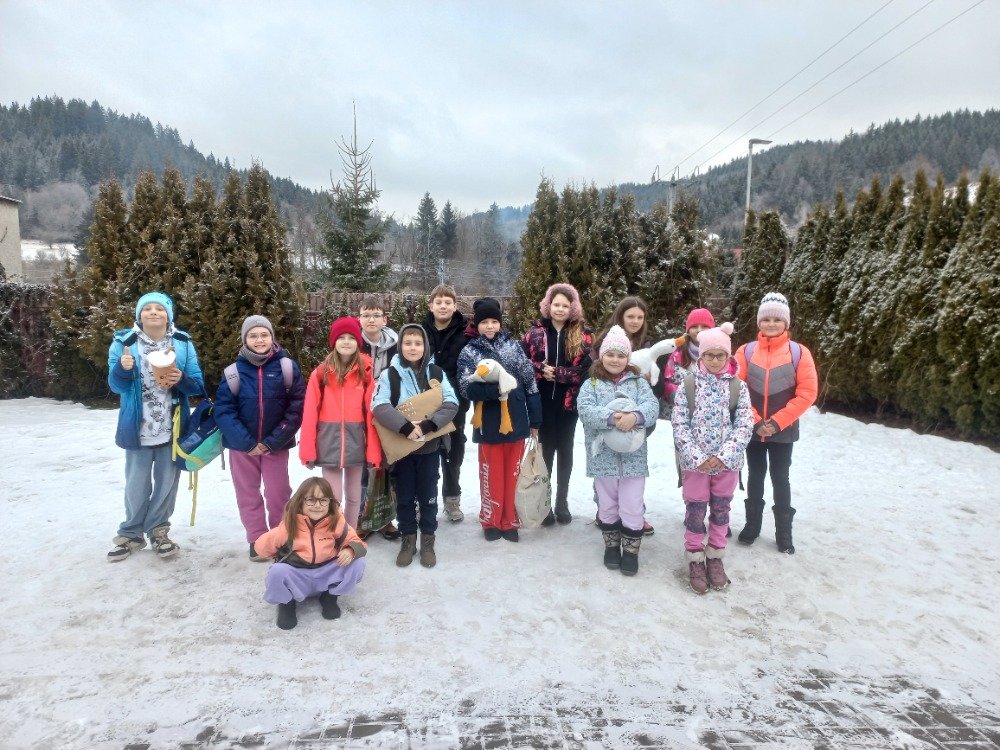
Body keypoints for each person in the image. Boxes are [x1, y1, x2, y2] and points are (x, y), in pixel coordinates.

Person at [106, 291, 205, 562]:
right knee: (136, 484)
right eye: (147, 308)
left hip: (171, 428)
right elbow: (115, 386)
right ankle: (131, 534)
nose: (153, 312)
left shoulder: (182, 343)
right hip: (137, 428)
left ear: (168, 315)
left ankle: (159, 531)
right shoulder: (124, 343)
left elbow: (197, 385)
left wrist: (181, 379)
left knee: (166, 484)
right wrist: (123, 369)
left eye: (159, 308)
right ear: (139, 315)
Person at [214, 315, 306, 561]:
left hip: (275, 446)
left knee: (278, 492)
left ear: (272, 337)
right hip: (242, 448)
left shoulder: (287, 367)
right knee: (248, 493)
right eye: (253, 335)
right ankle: (257, 539)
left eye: (264, 334)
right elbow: (223, 410)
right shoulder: (233, 372)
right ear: (244, 340)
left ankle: (280, 536)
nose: (259, 340)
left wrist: (272, 441)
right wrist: (246, 443)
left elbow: (297, 407)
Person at [671, 322, 754, 593]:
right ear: (701, 355)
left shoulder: (738, 387)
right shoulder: (689, 385)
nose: (715, 361)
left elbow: (745, 424)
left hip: (726, 466)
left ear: (728, 356)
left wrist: (724, 456)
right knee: (695, 511)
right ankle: (695, 556)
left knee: (721, 510)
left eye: (720, 355)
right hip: (695, 465)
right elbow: (679, 424)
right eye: (709, 355)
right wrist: (697, 456)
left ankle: (715, 555)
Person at [734, 292, 818, 554]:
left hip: (784, 430)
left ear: (786, 323)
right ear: (759, 321)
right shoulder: (745, 351)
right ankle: (752, 526)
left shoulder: (799, 353)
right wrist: (756, 421)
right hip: (753, 429)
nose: (771, 324)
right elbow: (737, 388)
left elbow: (807, 393)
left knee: (781, 477)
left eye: (777, 319)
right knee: (755, 474)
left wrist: (778, 422)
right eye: (766, 319)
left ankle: (784, 533)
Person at [372, 323, 459, 568]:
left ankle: (428, 540)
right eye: (407, 343)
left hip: (429, 448)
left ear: (425, 347)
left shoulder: (436, 373)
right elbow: (379, 405)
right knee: (405, 497)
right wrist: (405, 427)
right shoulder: (390, 374)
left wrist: (430, 425)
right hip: (402, 449)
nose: (413, 348)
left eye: (418, 343)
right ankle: (408, 540)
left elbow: (451, 403)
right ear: (400, 345)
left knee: (428, 496)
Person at [576, 325, 659, 576]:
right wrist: (613, 418)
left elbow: (652, 407)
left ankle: (631, 551)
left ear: (628, 358)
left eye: (621, 355)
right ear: (602, 356)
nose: (615, 360)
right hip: (603, 457)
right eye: (610, 354)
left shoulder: (639, 383)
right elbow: (585, 410)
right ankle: (611, 546)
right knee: (607, 503)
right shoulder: (591, 384)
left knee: (632, 504)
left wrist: (635, 417)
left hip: (634, 458)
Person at [457, 298, 541, 542]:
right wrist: (496, 390)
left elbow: (530, 382)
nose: (490, 326)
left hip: (516, 419)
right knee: (491, 473)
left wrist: (535, 419)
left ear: (500, 323)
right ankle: (491, 519)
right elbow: (465, 386)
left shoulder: (514, 347)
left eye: (494, 321)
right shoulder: (470, 351)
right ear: (477, 325)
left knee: (513, 473)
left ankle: (510, 520)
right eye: (484, 322)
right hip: (488, 422)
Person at [299, 316, 381, 529]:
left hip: (356, 444)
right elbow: (309, 414)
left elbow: (371, 416)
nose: (346, 342)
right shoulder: (321, 374)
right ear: (333, 341)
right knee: (332, 498)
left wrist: (373, 452)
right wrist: (307, 451)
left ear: (358, 342)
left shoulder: (366, 374)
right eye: (341, 337)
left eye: (351, 338)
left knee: (354, 497)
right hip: (328, 444)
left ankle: (350, 535)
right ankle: (333, 536)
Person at [253, 477, 367, 630]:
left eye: (323, 500)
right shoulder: (289, 525)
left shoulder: (337, 521)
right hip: (299, 576)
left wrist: (350, 549)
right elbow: (260, 548)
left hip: (326, 575)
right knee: (277, 571)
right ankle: (286, 603)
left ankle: (330, 597)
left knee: (357, 562)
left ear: (330, 502)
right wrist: (275, 544)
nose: (317, 505)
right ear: (300, 501)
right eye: (311, 500)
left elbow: (357, 542)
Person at [522, 283, 593, 525]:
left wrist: (560, 374)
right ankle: (546, 504)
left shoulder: (582, 335)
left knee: (565, 450)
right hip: (542, 402)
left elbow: (585, 371)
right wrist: (540, 369)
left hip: (568, 404)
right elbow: (521, 363)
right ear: (548, 306)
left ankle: (562, 502)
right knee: (546, 452)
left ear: (572, 308)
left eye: (565, 305)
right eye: (556, 304)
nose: (560, 309)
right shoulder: (534, 333)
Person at [594, 295, 656, 535]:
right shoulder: (604, 342)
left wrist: (649, 380)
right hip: (607, 414)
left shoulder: (646, 344)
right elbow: (594, 375)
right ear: (620, 316)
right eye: (630, 316)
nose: (635, 321)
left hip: (637, 415)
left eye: (640, 317)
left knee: (632, 465)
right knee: (605, 463)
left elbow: (657, 383)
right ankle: (605, 510)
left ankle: (635, 513)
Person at [422, 284, 471, 522]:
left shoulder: (466, 334)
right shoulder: (420, 331)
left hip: (455, 405)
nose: (443, 306)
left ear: (455, 306)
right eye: (438, 302)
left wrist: (460, 397)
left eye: (448, 302)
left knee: (453, 451)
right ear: (430, 306)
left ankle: (452, 499)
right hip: (423, 403)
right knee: (424, 452)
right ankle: (424, 499)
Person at [356, 295, 401, 540]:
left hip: (388, 413)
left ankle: (385, 517)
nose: (371, 320)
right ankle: (362, 518)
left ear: (385, 319)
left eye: (376, 315)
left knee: (386, 466)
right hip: (359, 415)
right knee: (364, 468)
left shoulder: (397, 346)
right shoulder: (351, 343)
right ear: (359, 319)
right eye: (366, 315)